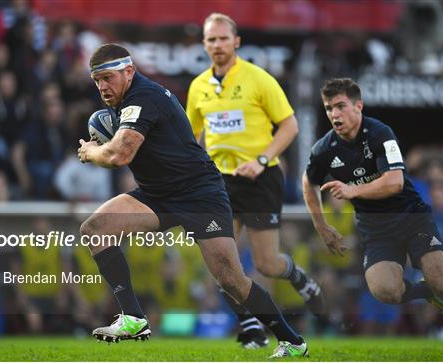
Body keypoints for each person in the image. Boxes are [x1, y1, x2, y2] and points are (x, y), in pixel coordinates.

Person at [77, 43, 308, 358]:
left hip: (199, 194)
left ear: (128, 71)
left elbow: (121, 154)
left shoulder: (144, 97)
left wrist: (91, 151)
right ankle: (133, 318)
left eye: (107, 77)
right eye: (97, 81)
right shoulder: (124, 101)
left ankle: (293, 342)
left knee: (232, 281)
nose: (102, 86)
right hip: (157, 194)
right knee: (96, 229)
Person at [302, 77, 443, 353]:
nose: (334, 114)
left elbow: (395, 182)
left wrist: (353, 190)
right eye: (328, 108)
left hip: (411, 218)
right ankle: (423, 291)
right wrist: (322, 226)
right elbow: (308, 182)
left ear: (358, 105)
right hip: (376, 230)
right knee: (386, 291)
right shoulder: (324, 148)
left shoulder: (379, 133)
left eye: (340, 106)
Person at [186, 12, 324, 349]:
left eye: (223, 38)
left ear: (237, 42)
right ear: (204, 45)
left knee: (266, 263)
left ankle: (296, 276)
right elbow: (191, 137)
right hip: (220, 182)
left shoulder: (258, 79)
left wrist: (261, 160)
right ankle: (251, 326)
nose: (217, 45)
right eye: (211, 40)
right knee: (222, 262)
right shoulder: (198, 87)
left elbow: (290, 125)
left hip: (261, 178)